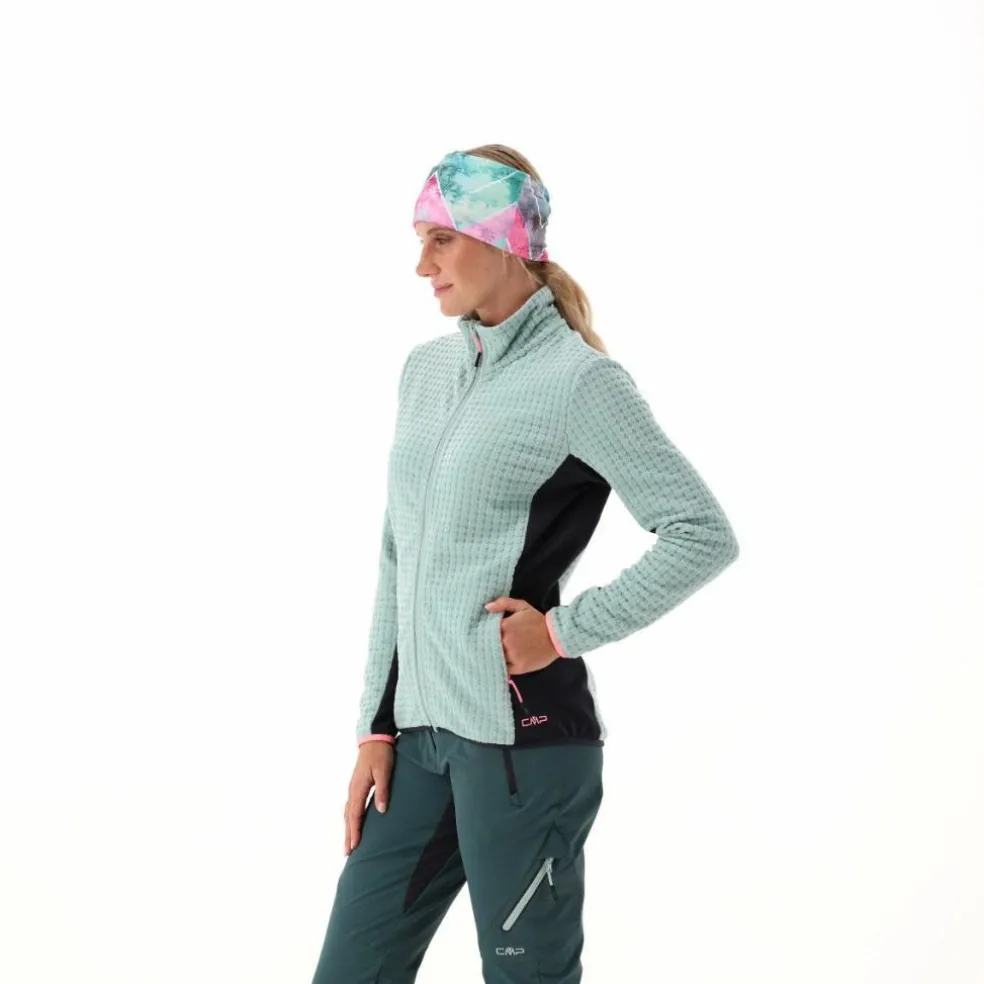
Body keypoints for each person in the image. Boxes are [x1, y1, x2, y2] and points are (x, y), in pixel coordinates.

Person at [309, 144, 739, 983]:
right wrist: (376, 724)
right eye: (421, 241)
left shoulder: (580, 383)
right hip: (420, 744)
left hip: (523, 749)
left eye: (441, 240)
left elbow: (701, 532)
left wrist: (563, 632)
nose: (422, 265)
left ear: (503, 239)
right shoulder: (426, 371)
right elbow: (398, 553)